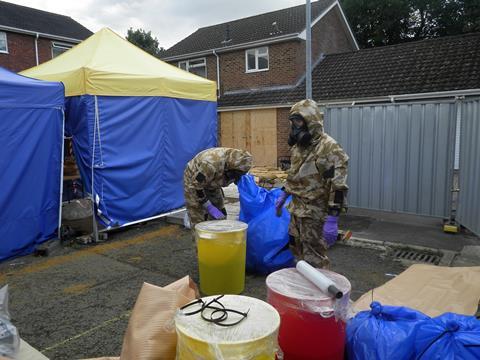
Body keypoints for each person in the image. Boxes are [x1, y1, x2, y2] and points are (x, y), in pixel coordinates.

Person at [275, 99, 349, 268]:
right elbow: (294, 174)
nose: (295, 127)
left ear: (311, 121)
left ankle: (320, 292)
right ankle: (302, 289)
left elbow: (338, 185)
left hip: (314, 214)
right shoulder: (299, 147)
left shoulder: (330, 147)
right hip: (296, 210)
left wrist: (332, 218)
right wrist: (283, 193)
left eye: (299, 121)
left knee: (314, 258)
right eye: (293, 122)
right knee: (296, 251)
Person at [184, 147, 253, 231]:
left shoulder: (241, 162)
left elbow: (237, 176)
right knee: (198, 217)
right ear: (230, 167)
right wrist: (208, 205)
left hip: (212, 181)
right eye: (236, 173)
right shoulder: (210, 164)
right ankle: (200, 242)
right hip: (194, 181)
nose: (237, 176)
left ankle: (217, 238)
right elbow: (197, 186)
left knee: (220, 214)